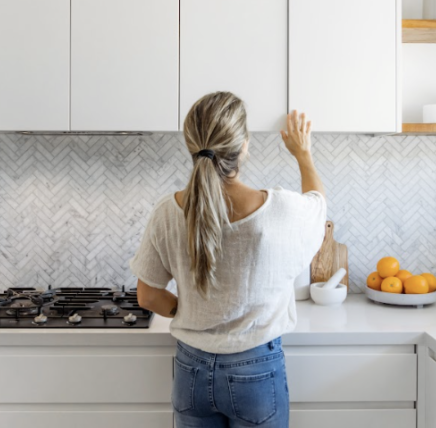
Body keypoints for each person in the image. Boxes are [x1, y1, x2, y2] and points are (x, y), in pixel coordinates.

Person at [130, 91, 327, 427]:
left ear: (190, 144)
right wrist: (303, 154)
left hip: (191, 369)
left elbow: (148, 296)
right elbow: (317, 205)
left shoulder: (167, 212)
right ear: (244, 145)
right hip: (256, 369)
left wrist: (191, 310)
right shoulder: (278, 210)